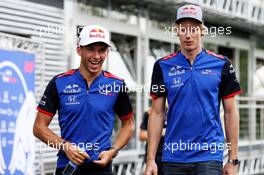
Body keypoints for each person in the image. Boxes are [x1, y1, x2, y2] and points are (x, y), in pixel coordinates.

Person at [145, 4, 241, 175]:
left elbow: (230, 112)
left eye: (193, 28)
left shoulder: (222, 64)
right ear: (177, 31)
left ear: (202, 30)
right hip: (173, 157)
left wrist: (233, 159)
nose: (188, 35)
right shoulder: (162, 66)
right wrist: (151, 160)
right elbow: (157, 113)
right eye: (183, 29)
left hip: (209, 155)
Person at [33, 24, 135, 175]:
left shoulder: (116, 85)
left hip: (101, 168)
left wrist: (112, 151)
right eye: (90, 49)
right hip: (68, 167)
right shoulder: (59, 82)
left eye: (102, 50)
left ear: (107, 52)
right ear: (79, 50)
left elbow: (129, 125)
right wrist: (65, 146)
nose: (96, 56)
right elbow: (39, 127)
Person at [139, 108, 166, 175]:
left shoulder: (173, 114)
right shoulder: (149, 113)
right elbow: (141, 135)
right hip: (153, 157)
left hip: (168, 157)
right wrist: (161, 132)